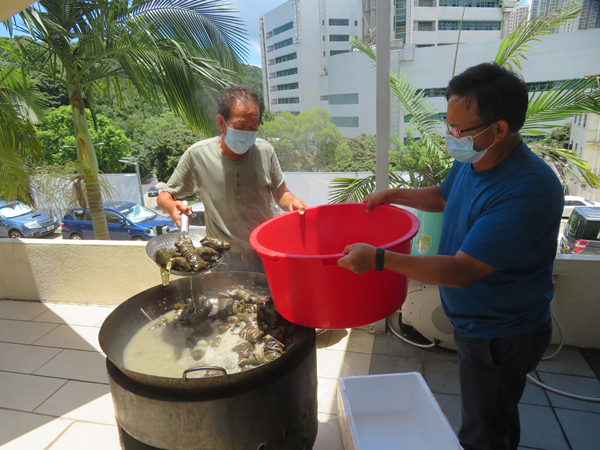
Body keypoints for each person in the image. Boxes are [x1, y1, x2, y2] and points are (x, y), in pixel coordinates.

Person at [338, 63, 563, 450]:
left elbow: (461, 271)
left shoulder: (527, 190)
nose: (451, 136)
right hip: (477, 323)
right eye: (448, 124)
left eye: (459, 129)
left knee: (483, 430)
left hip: (502, 332)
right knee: (495, 413)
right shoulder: (474, 159)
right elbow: (443, 195)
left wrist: (379, 259)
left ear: (499, 129)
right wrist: (394, 195)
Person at [158, 86, 307, 272]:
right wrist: (172, 207)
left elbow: (281, 193)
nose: (247, 133)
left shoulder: (265, 151)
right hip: (221, 259)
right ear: (221, 123)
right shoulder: (197, 155)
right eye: (240, 126)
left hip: (263, 254)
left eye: (253, 127)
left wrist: (293, 202)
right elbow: (164, 196)